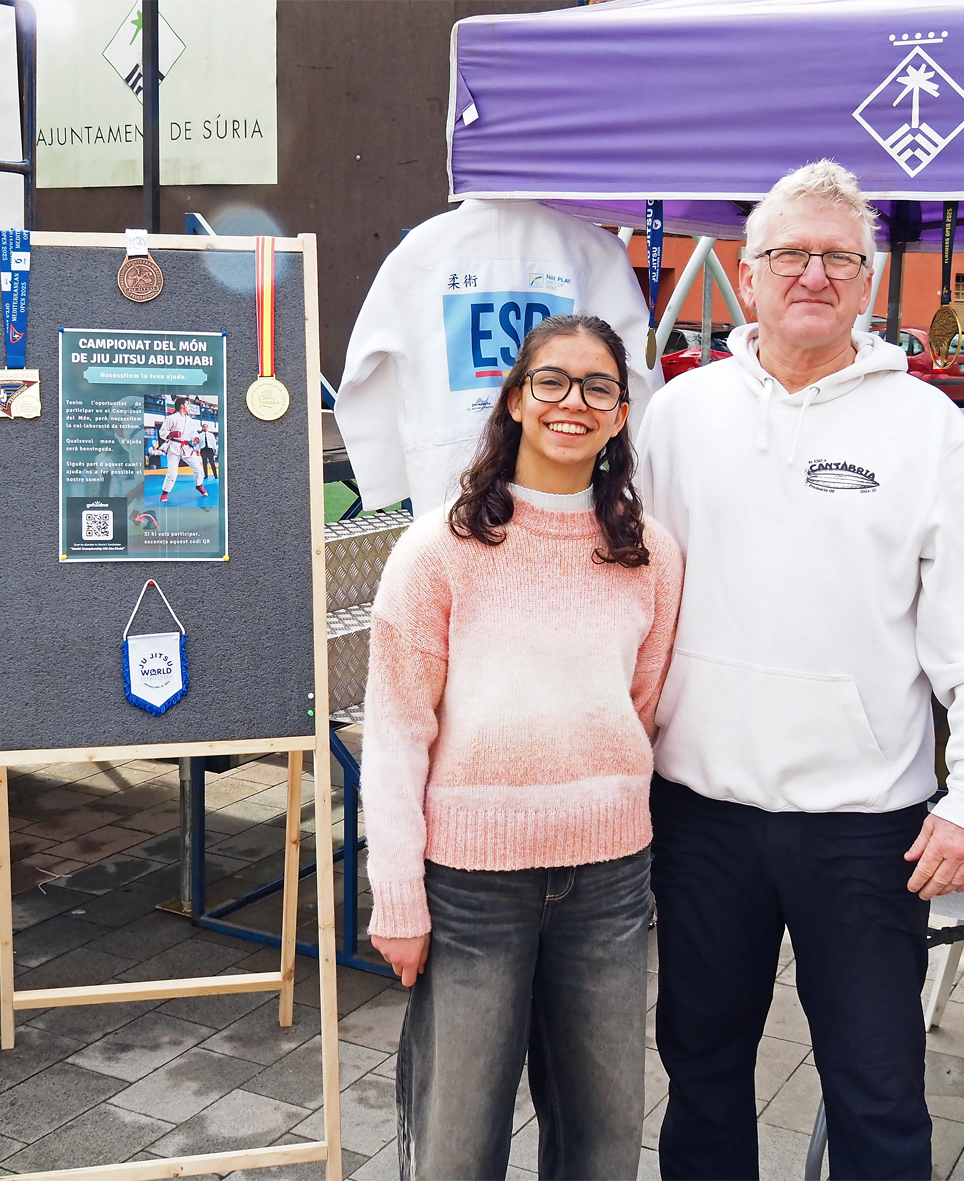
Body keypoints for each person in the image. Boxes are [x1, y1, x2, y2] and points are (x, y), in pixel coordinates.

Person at [637, 160, 964, 1181]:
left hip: (866, 826)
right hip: (700, 814)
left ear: (868, 280)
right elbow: (627, 596)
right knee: (700, 1074)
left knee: (878, 1091)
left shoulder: (925, 427)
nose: (812, 274)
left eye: (838, 258)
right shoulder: (679, 414)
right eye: (789, 254)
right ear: (747, 274)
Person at [361, 314, 683, 1181]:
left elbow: (641, 705)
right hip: (471, 889)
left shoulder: (650, 554)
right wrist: (398, 895)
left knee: (603, 1136)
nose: (572, 402)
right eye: (551, 381)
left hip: (608, 882)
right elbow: (396, 731)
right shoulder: (440, 547)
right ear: (514, 398)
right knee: (458, 1140)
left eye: (597, 387)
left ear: (620, 415)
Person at [159, 396, 208, 501]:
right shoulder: (171, 418)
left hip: (186, 447)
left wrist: (195, 438)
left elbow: (193, 432)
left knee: (199, 469)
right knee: (172, 472)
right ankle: (165, 492)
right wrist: (170, 434)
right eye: (187, 404)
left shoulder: (190, 420)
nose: (189, 406)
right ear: (182, 406)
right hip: (173, 447)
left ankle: (199, 485)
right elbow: (162, 432)